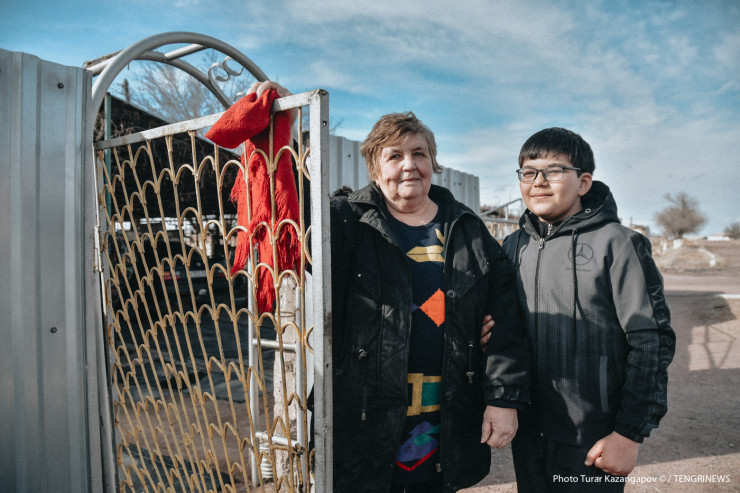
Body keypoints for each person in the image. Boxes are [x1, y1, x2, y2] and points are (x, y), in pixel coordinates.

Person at [329, 111, 530, 492]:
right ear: (375, 168)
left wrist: (504, 400)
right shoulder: (346, 223)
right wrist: (283, 128)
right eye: (395, 155)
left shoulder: (468, 230)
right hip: (364, 423)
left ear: (433, 163)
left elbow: (506, 320)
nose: (409, 165)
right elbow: (287, 217)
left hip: (447, 425)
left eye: (419, 153)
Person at [481, 127, 675, 492]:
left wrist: (628, 434)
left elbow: (651, 343)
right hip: (529, 431)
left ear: (583, 182)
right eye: (528, 172)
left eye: (554, 171)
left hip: (593, 437)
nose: (538, 182)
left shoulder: (619, 244)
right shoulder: (512, 246)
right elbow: (504, 327)